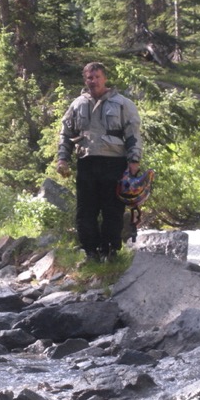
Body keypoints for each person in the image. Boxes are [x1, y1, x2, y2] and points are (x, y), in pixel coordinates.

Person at [56, 61, 142, 261]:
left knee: (112, 209)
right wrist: (63, 159)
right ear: (84, 79)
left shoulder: (123, 104)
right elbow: (66, 133)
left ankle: (110, 250)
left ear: (105, 79)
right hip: (86, 162)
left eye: (96, 77)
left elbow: (133, 134)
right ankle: (91, 252)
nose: (93, 81)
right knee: (85, 210)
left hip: (114, 162)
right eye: (89, 78)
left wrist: (134, 160)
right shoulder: (77, 104)